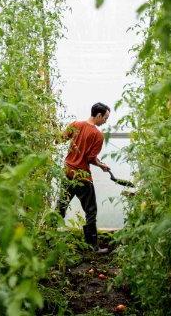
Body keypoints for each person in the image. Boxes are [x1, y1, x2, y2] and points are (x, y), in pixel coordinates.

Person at [58, 102, 111, 252]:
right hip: (82, 177)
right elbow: (90, 158)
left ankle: (48, 238)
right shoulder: (98, 135)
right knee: (91, 211)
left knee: (60, 207)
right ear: (98, 115)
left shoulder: (75, 124)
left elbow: (59, 139)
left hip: (68, 173)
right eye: (105, 118)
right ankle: (93, 246)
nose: (105, 121)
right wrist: (102, 165)